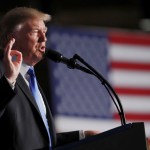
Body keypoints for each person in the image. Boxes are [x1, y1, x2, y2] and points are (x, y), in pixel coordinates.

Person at [0, 7, 99, 150]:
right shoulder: (3, 72)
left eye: (44, 32)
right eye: (35, 31)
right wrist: (8, 80)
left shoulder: (29, 77)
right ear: (11, 38)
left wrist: (83, 136)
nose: (44, 38)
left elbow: (38, 139)